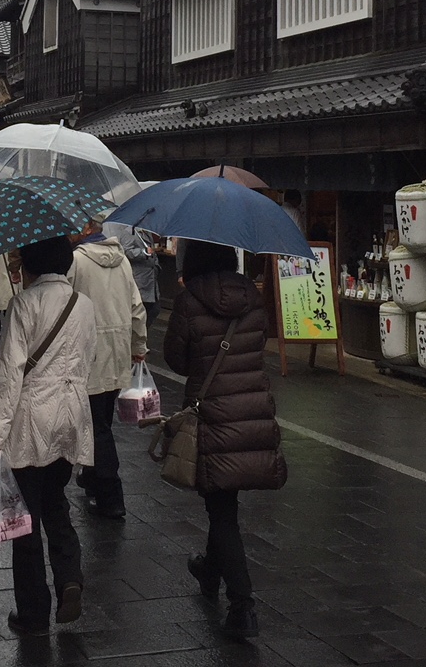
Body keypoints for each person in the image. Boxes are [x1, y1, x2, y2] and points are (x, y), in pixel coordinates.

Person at [164, 238, 287, 641]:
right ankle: (209, 569)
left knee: (222, 511)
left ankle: (243, 606)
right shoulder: (252, 298)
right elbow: (258, 347)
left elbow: (176, 360)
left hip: (212, 416)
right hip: (251, 413)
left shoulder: (188, 302)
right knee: (224, 502)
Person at [0, 235, 96, 638]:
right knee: (56, 502)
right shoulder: (85, 305)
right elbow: (86, 360)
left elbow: (9, 375)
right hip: (73, 419)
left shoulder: (23, 304)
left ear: (28, 265)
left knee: (24, 519)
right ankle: (70, 578)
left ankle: (33, 612)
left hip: (31, 423)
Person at [70, 223, 146, 519]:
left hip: (88, 353)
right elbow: (136, 307)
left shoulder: (76, 261)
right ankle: (91, 479)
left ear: (88, 228)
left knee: (96, 427)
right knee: (100, 420)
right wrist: (138, 346)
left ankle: (111, 495)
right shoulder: (123, 260)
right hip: (116, 353)